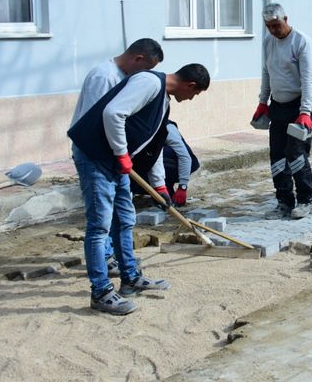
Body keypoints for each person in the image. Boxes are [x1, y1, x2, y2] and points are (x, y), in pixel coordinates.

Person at [68, 63, 210, 315]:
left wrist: (159, 186)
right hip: (95, 156)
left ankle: (130, 278)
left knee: (125, 219)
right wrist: (122, 153)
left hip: (116, 160)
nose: (191, 99)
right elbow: (113, 113)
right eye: (195, 94)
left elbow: (151, 147)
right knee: (100, 226)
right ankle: (100, 292)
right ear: (190, 85)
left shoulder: (163, 101)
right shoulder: (148, 82)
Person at [70, 38, 165, 278]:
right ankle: (104, 259)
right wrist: (119, 154)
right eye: (147, 69)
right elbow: (96, 123)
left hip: (112, 156)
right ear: (138, 59)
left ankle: (119, 263)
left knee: (121, 215)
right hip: (96, 155)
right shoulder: (104, 76)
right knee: (101, 218)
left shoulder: (126, 78)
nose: (147, 75)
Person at [252, 3, 312, 219]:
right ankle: (284, 201)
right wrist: (263, 102)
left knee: (296, 153)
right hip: (278, 104)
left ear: (286, 19)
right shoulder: (268, 42)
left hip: (301, 104)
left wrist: (305, 112)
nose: (273, 30)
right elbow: (266, 72)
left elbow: (309, 79)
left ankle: (306, 199)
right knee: (277, 154)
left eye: (276, 25)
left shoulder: (301, 42)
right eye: (268, 26)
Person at [130, 120, 200, 207]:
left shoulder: (166, 129)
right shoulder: (138, 127)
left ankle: (167, 191)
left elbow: (185, 157)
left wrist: (182, 187)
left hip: (184, 163)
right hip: (163, 161)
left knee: (152, 153)